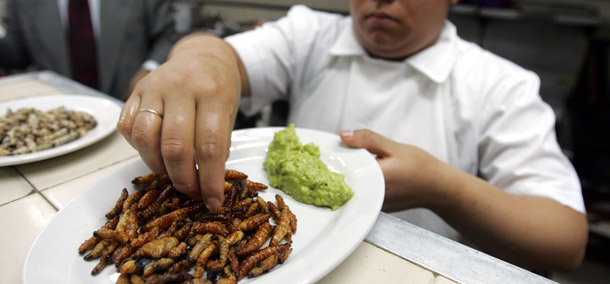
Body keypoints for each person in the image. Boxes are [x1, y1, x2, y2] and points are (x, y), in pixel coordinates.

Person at [117, 0, 588, 272]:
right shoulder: (310, 35)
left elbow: (565, 241)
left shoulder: (499, 85)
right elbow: (215, 52)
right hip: (298, 261)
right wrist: (201, 61)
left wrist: (444, 189)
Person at [0, 0, 177, 100]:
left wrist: (150, 69)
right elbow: (18, 53)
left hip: (129, 104)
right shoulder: (21, 3)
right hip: (61, 114)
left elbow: (167, 36)